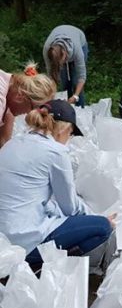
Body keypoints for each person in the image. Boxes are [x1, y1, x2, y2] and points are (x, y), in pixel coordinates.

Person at [0, 99, 114, 264]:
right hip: (23, 241)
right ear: (65, 129)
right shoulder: (55, 152)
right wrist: (99, 216)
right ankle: (41, 267)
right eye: (72, 134)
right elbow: (69, 208)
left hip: (3, 238)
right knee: (102, 227)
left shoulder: (13, 143)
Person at [0, 63, 56, 148]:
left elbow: (4, 142)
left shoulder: (8, 81)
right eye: (32, 108)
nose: (27, 113)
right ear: (21, 96)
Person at [43, 25, 88, 107]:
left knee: (75, 80)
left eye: (61, 63)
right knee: (65, 82)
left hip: (80, 40)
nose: (61, 65)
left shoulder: (77, 51)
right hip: (59, 32)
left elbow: (82, 77)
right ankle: (67, 108)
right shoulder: (47, 49)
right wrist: (51, 94)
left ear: (64, 53)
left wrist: (75, 96)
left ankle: (80, 108)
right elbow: (50, 75)